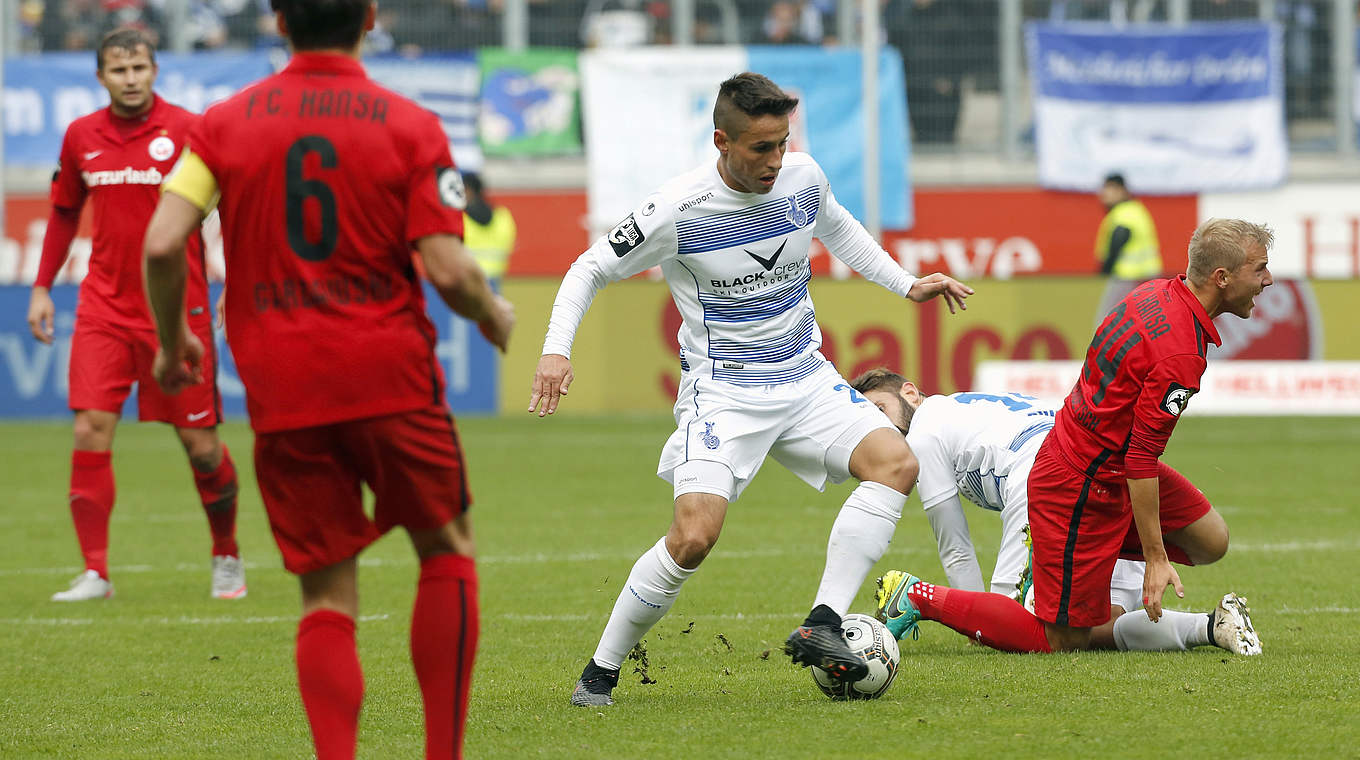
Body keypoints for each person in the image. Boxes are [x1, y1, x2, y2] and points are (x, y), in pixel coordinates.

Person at [528, 72, 973, 707]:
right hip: (724, 394)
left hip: (806, 376)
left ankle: (822, 621)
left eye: (782, 144)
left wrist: (905, 284)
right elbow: (589, 267)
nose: (776, 160)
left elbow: (839, 228)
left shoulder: (802, 177)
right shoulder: (677, 209)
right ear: (722, 141)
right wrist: (554, 350)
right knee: (693, 538)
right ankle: (601, 671)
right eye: (761, 147)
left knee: (896, 463)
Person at [141, 1, 514, 758]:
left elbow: (159, 244)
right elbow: (446, 267)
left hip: (283, 386)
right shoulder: (409, 124)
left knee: (324, 592)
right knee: (445, 546)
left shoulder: (221, 125)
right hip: (390, 376)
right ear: (370, 18)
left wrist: (173, 334)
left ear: (278, 21)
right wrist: (491, 313)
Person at [873, 218, 1273, 656]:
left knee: (1209, 539)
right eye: (1259, 270)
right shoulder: (1180, 353)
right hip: (1082, 483)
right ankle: (914, 595)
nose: (1267, 280)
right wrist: (1156, 558)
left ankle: (1066, 565)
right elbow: (1140, 460)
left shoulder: (1151, 294)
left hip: (1102, 461)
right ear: (1222, 278)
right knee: (1062, 640)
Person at [26, 27, 244, 603]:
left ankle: (226, 553)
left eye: (139, 69)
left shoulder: (190, 130)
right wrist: (42, 287)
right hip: (104, 306)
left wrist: (237, 277)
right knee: (89, 427)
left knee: (200, 446)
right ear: (100, 77)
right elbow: (65, 212)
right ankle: (95, 571)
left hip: (179, 310)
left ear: (154, 71)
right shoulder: (81, 137)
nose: (130, 80)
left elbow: (234, 205)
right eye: (119, 71)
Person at [851, 368, 1261, 655]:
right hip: (1096, 463)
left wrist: (974, 618)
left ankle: (914, 594)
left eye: (880, 410)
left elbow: (954, 543)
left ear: (909, 393)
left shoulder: (924, 431)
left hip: (1045, 478)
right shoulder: (970, 409)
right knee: (1108, 620)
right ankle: (1214, 626)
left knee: (1024, 629)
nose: (882, 429)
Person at [1094, 172, 1162, 322]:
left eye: (1110, 189)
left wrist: (1105, 270)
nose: (1104, 194)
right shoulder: (1137, 210)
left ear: (1122, 190)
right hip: (1147, 278)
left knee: (1105, 320)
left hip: (1127, 278)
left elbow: (1120, 236)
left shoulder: (1125, 212)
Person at [461, 172, 517, 280]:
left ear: (469, 190)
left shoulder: (461, 218)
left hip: (468, 279)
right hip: (495, 276)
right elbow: (509, 244)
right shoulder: (503, 216)